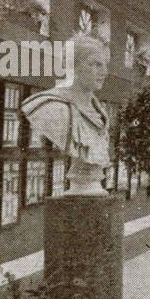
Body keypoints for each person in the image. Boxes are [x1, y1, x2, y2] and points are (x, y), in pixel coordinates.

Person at [22, 33, 111, 195]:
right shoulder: (52, 106)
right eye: (96, 64)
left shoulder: (101, 113)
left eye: (105, 65)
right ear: (73, 66)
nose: (104, 72)